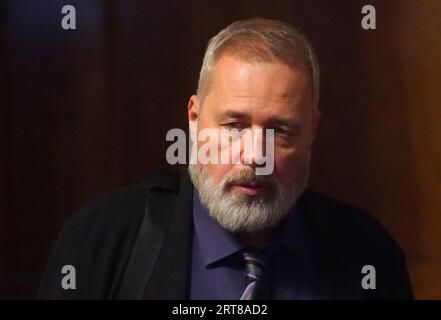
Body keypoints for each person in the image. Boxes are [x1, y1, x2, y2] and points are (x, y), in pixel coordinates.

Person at [37, 18, 413, 299]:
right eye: (234, 125)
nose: (254, 156)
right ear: (194, 119)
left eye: (280, 131)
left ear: (312, 130)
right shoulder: (101, 240)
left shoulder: (369, 254)